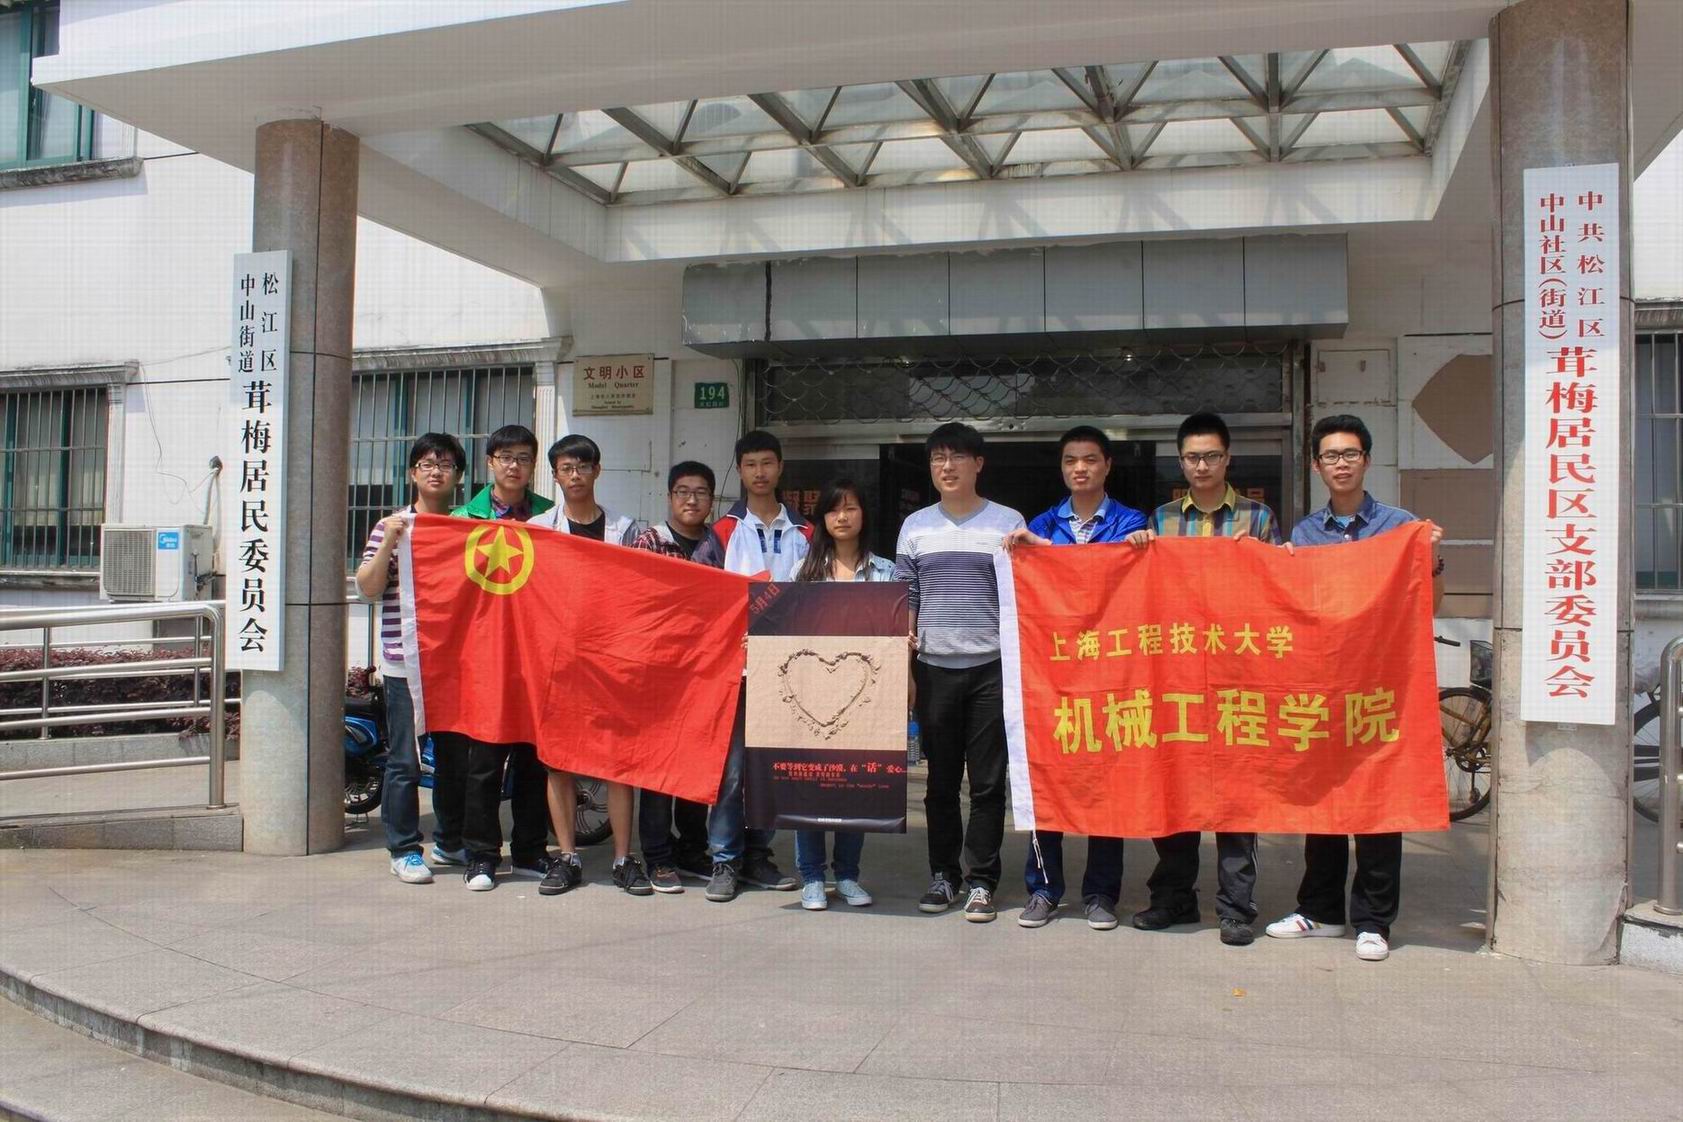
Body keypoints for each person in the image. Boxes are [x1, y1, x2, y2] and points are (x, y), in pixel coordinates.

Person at [1265, 414, 1444, 962]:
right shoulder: (1305, 534)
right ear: (1316, 466)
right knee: (1322, 799)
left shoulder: (1400, 525)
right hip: (1323, 687)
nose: (1340, 464)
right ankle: (1320, 911)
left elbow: (1427, 606)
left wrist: (1429, 557)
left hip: (1380, 687)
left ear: (1366, 459)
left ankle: (1373, 921)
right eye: (1330, 456)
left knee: (1378, 802)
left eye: (1349, 454)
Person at [1124, 411, 1278, 946]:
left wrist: (1264, 558)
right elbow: (1147, 594)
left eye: (1212, 456)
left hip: (1239, 673)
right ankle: (1173, 898)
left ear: (1228, 458)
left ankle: (1235, 908)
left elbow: (1277, 589)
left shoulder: (1258, 517)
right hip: (1178, 674)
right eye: (1193, 457)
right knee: (1175, 788)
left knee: (1237, 795)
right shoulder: (1162, 519)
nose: (1202, 465)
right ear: (1181, 462)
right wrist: (1137, 553)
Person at [1001, 425, 1147, 930]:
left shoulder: (1132, 522)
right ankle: (1043, 889)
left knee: (1109, 783)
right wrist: (1028, 549)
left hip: (1112, 673)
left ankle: (1102, 893)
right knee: (1047, 777)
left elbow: (1127, 582)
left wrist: (1142, 548)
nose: (1079, 468)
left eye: (1089, 459)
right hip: (1054, 673)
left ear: (1107, 465)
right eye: (1070, 461)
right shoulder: (1042, 524)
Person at [897, 422, 1026, 923]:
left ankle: (981, 882)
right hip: (934, 670)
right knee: (940, 783)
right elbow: (908, 597)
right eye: (937, 458)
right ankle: (943, 876)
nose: (946, 467)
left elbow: (1025, 593)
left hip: (992, 669)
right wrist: (907, 669)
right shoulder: (915, 526)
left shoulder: (1007, 522)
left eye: (956, 457)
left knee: (989, 784)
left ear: (978, 463)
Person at [527, 433, 650, 896]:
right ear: (555, 476)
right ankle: (567, 856)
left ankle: (622, 858)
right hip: (557, 661)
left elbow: (641, 592)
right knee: (558, 761)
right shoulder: (538, 529)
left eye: (582, 466)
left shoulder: (627, 530)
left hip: (611, 660)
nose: (575, 475)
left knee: (618, 762)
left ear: (597, 470)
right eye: (566, 468)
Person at [693, 430, 810, 901]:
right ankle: (724, 860)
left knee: (772, 768)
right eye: (750, 465)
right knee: (732, 771)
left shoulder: (806, 533)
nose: (759, 473)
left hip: (791, 671)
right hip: (736, 671)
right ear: (740, 471)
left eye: (767, 463)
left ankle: (759, 855)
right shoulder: (721, 532)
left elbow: (820, 596)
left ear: (780, 467)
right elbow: (703, 599)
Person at [355, 432, 469, 885]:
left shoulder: (467, 529)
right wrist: (389, 542)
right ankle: (403, 848)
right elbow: (367, 588)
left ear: (459, 476)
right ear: (412, 473)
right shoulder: (392, 526)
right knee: (405, 758)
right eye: (426, 464)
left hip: (456, 663)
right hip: (405, 660)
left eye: (445, 465)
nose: (436, 471)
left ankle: (449, 841)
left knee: (455, 760)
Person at [448, 424, 557, 892]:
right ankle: (481, 855)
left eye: (524, 458)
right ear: (490, 462)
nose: (514, 466)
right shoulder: (460, 519)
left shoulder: (551, 518)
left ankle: (530, 850)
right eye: (506, 457)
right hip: (485, 654)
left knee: (534, 759)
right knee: (485, 763)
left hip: (536, 655)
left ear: (534, 467)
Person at [791, 478, 899, 911]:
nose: (842, 517)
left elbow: (894, 633)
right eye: (834, 509)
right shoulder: (803, 572)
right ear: (822, 518)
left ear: (864, 516)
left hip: (864, 693)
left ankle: (848, 875)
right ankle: (812, 877)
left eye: (851, 508)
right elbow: (782, 629)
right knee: (809, 786)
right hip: (811, 694)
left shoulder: (886, 572)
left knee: (855, 783)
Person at [628, 461, 720, 893]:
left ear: (711, 500)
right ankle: (658, 857)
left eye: (700, 492)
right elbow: (637, 601)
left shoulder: (719, 544)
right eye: (683, 491)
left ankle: (692, 850)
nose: (691, 500)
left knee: (698, 766)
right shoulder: (650, 541)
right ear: (669, 497)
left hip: (706, 673)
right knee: (658, 769)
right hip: (659, 673)